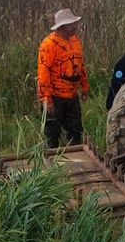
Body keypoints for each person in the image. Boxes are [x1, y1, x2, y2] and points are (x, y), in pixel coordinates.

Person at [37, 8, 90, 148]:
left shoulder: (75, 40)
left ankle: (76, 161)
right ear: (61, 27)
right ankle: (53, 165)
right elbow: (43, 73)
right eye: (71, 24)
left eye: (74, 23)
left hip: (72, 96)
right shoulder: (48, 44)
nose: (75, 26)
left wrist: (84, 87)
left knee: (75, 131)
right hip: (55, 97)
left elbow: (80, 64)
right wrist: (47, 100)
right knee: (52, 134)